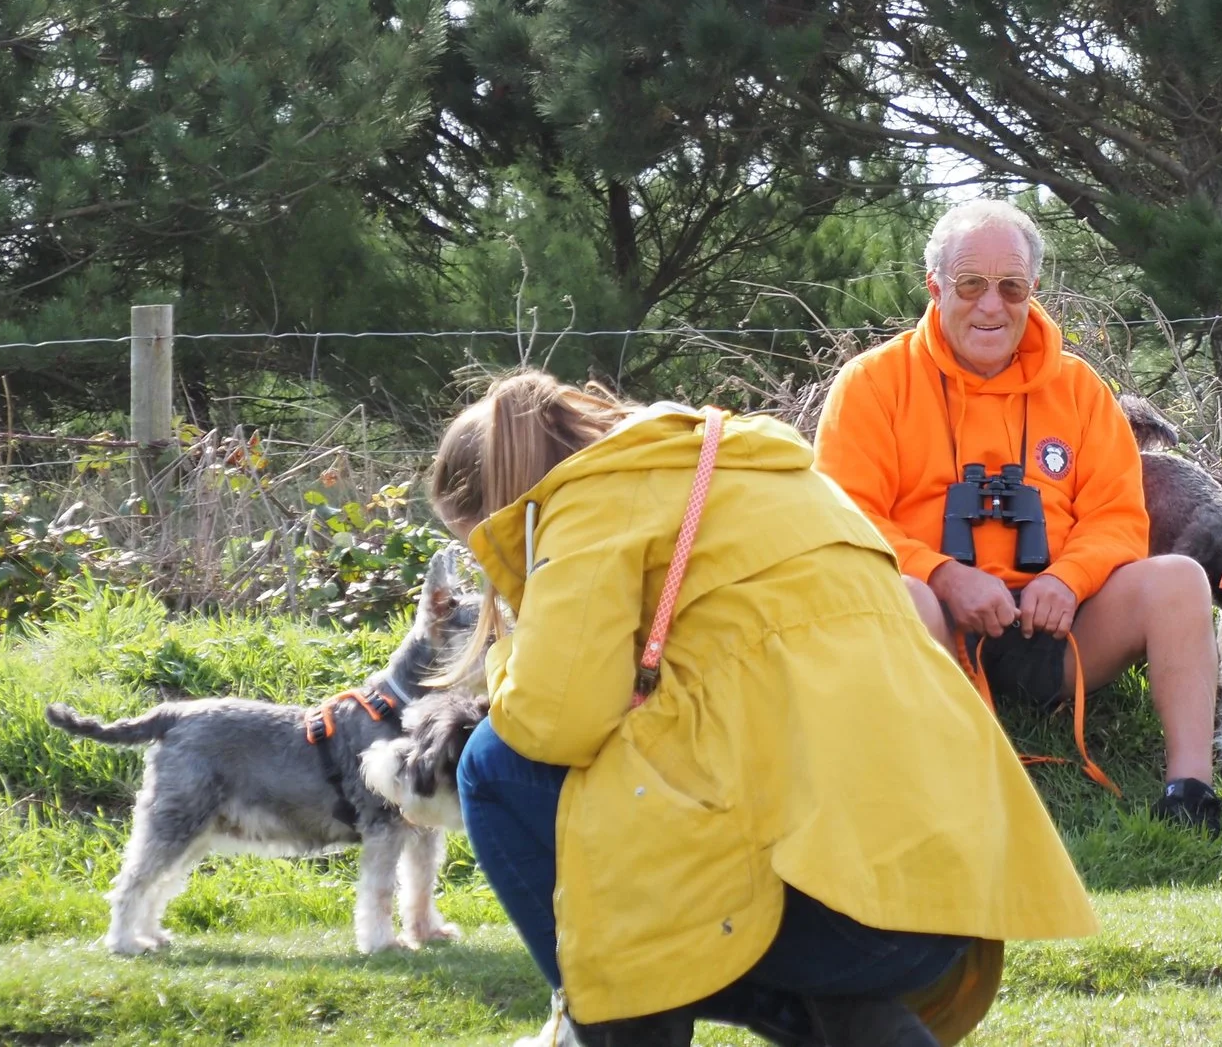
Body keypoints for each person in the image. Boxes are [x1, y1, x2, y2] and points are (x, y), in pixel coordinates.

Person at [432, 371, 1095, 1047]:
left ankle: (605, 1026)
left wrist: (508, 652)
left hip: (832, 908)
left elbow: (556, 719)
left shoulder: (593, 496)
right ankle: (855, 1022)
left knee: (492, 761)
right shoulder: (762, 463)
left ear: (512, 507)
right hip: (952, 894)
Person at [813, 200, 1222, 832]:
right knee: (903, 594)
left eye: (1011, 287)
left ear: (1034, 291)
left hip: (1056, 630)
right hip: (933, 629)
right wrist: (944, 575)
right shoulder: (870, 384)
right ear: (935, 287)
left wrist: (1068, 579)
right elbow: (843, 517)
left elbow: (1118, 517)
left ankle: (1190, 791)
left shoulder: (1081, 389)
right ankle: (938, 781)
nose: (990, 305)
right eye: (970, 284)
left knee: (1179, 579)